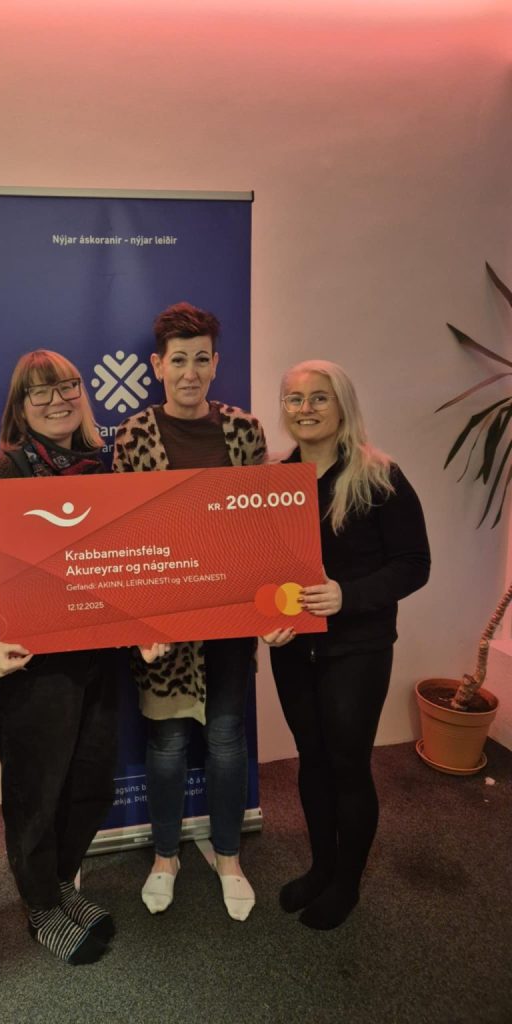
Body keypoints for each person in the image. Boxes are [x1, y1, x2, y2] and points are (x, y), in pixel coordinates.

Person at [0, 350, 118, 965]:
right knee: (36, 794)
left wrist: (149, 624)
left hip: (100, 660)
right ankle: (40, 906)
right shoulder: (1, 471)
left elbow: (125, 566)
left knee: (91, 785)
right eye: (38, 392)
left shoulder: (103, 470)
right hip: (32, 667)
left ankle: (62, 883)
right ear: (20, 406)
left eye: (66, 387)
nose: (56, 400)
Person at [112, 302, 267, 921]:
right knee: (168, 740)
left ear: (216, 364)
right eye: (179, 360)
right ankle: (165, 856)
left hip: (229, 615)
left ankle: (228, 855)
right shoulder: (133, 436)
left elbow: (264, 525)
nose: (190, 372)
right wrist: (139, 622)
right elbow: (123, 536)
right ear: (158, 365)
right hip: (164, 625)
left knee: (226, 737)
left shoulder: (245, 431)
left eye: (201, 359)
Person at [263, 359, 430, 930]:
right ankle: (321, 867)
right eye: (294, 399)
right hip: (293, 648)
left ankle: (346, 884)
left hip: (357, 648)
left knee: (348, 763)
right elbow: (260, 568)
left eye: (319, 397)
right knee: (311, 760)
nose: (304, 409)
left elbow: (414, 564)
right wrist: (263, 618)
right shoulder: (273, 481)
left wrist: (348, 595)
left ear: (342, 406)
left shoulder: (380, 477)